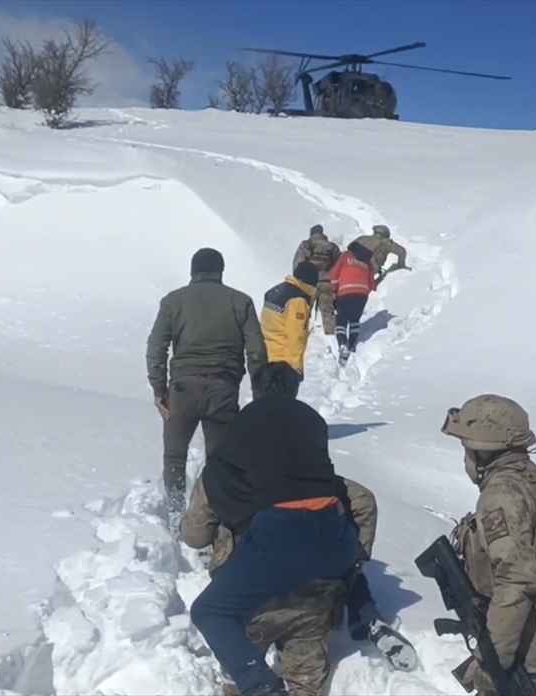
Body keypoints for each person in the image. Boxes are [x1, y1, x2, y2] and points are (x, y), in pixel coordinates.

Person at [188, 362, 361, 696]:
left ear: (255, 390)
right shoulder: (311, 426)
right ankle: (361, 605)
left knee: (209, 611)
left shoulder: (240, 430)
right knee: (307, 668)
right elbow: (360, 499)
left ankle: (260, 686)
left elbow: (195, 534)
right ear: (294, 390)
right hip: (330, 557)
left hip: (273, 555)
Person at [182, 472, 414, 695]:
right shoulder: (314, 472)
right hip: (313, 602)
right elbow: (363, 500)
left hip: (250, 601)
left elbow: (195, 536)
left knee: (242, 674)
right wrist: (355, 561)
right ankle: (364, 612)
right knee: (305, 684)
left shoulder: (222, 473)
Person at [441, 394, 536, 696]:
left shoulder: (503, 493)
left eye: (465, 447)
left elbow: (517, 579)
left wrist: (491, 662)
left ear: (481, 451)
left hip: (521, 658)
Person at [145, 247, 268, 509]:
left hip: (182, 389)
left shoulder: (173, 301)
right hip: (223, 389)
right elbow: (257, 352)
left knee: (175, 457)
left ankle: (177, 513)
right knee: (220, 460)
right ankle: (211, 518)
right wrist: (259, 397)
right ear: (220, 272)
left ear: (193, 271)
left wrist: (159, 390)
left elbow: (156, 347)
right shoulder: (240, 301)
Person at [261, 262, 319, 377]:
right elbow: (294, 336)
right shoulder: (297, 300)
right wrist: (295, 368)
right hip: (282, 362)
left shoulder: (275, 291)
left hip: (266, 355)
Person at [329, 241, 376, 366]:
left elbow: (334, 273)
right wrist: (364, 291)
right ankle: (352, 344)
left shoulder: (345, 256)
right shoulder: (367, 261)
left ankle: (343, 344)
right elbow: (371, 281)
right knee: (355, 318)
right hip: (362, 293)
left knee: (341, 320)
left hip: (346, 291)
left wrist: (334, 290)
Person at [291, 225, 341, 336]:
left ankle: (300, 333)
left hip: (309, 283)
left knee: (303, 309)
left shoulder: (306, 245)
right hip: (327, 282)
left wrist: (297, 281)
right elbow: (339, 265)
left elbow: (298, 263)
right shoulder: (332, 247)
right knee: (327, 308)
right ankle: (331, 334)